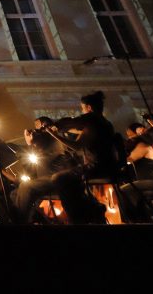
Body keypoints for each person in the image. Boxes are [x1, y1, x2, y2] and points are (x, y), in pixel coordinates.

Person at [46, 91, 118, 224]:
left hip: (97, 166)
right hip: (108, 165)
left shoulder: (92, 120)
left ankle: (77, 218)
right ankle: (92, 208)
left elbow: (76, 146)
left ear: (89, 108)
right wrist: (64, 129)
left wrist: (53, 133)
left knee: (58, 178)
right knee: (73, 179)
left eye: (82, 108)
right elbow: (79, 131)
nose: (81, 112)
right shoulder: (104, 123)